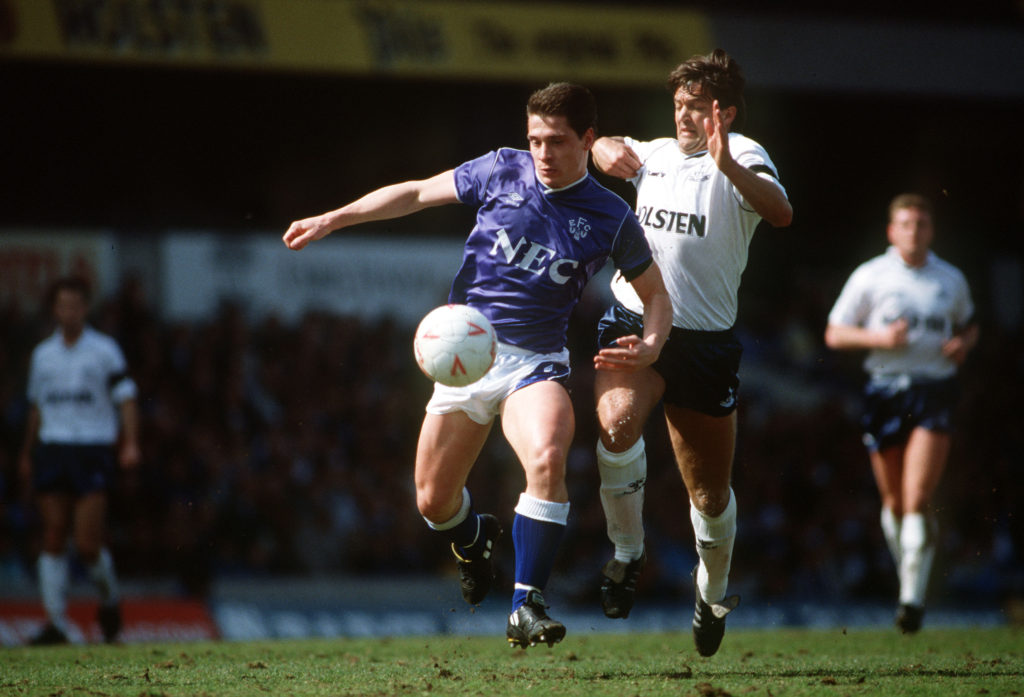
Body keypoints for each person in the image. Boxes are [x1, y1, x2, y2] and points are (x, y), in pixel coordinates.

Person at [283, 82, 672, 648]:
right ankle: (472, 538)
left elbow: (656, 294)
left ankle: (525, 604)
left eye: (558, 141)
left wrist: (653, 343)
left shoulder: (611, 216)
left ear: (588, 140)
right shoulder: (500, 171)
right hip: (466, 357)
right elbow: (416, 193)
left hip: (535, 361)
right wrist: (334, 218)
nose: (543, 152)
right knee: (433, 501)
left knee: (547, 455)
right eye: (535, 139)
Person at [588, 48, 792, 657]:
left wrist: (729, 164)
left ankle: (713, 592)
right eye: (678, 105)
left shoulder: (746, 155)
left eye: (695, 108)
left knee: (708, 495)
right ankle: (627, 553)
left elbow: (782, 213)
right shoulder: (653, 153)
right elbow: (607, 147)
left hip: (704, 346)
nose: (682, 116)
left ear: (723, 114)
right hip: (634, 319)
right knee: (617, 428)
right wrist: (602, 151)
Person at [825, 193, 977, 633]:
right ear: (892, 231)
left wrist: (964, 345)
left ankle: (911, 599)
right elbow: (835, 333)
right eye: (906, 224)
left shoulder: (950, 279)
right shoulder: (871, 276)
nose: (914, 231)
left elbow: (970, 324)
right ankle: (908, 581)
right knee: (893, 502)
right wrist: (879, 339)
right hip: (884, 392)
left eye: (922, 224)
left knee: (916, 497)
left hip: (933, 391)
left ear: (932, 230)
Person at [18, 276, 141, 644]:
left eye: (75, 305)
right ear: (54, 309)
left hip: (92, 448)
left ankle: (109, 600)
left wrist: (130, 442)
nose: (69, 311)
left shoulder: (104, 350)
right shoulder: (43, 355)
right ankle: (55, 623)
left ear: (85, 308)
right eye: (62, 305)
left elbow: (127, 397)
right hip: (53, 448)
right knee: (53, 535)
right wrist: (27, 451)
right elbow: (37, 407)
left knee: (87, 543)